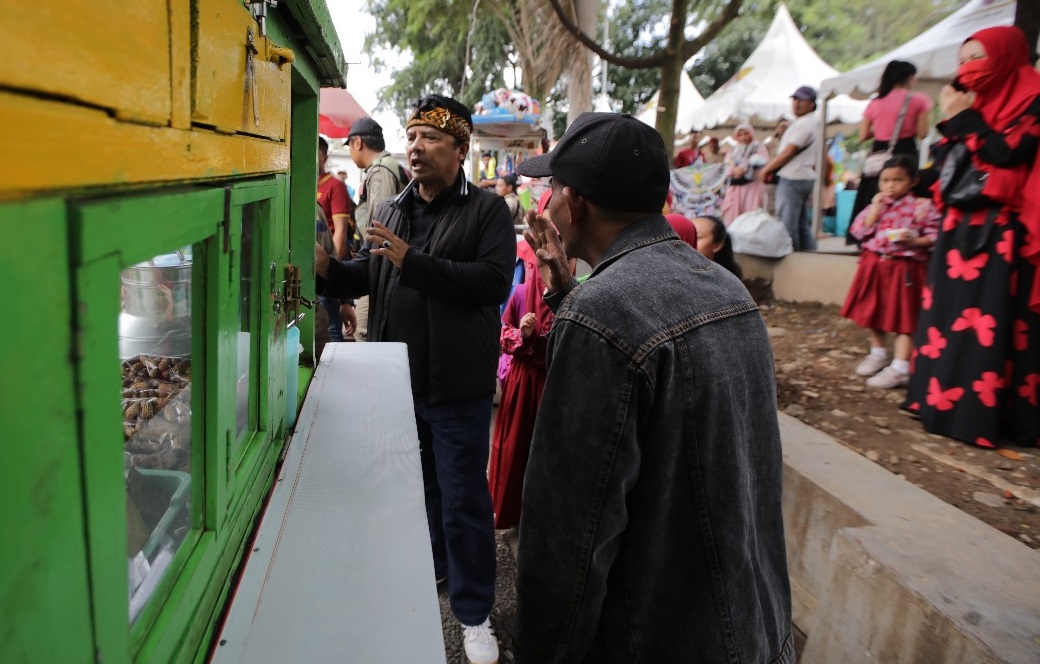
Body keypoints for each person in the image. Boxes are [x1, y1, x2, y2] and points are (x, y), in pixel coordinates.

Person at [513, 112, 792, 663]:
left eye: (550, 190)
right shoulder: (728, 289)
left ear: (575, 201)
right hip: (754, 628)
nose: (545, 205)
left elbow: (569, 536)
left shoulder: (602, 314)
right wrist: (568, 295)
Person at [315, 94, 516, 663]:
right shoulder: (396, 209)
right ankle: (436, 568)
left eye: (431, 138)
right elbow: (374, 274)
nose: (417, 147)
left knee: (463, 499)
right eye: (413, 135)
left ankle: (474, 612)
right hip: (399, 381)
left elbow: (490, 283)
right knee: (420, 490)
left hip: (457, 387)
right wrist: (331, 272)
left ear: (460, 148)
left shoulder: (486, 213)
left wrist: (414, 263)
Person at [904, 27, 1040, 448]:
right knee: (948, 315)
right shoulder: (968, 100)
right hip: (957, 227)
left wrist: (964, 118)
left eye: (978, 58)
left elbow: (1008, 154)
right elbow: (949, 162)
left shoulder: (1032, 99)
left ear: (1005, 57)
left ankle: (980, 416)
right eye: (963, 61)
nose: (968, 69)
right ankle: (937, 400)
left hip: (1000, 232)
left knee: (987, 319)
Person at [840, 156, 940, 389]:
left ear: (913, 181)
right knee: (874, 311)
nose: (890, 185)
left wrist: (915, 241)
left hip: (904, 268)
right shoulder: (874, 206)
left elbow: (936, 236)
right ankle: (878, 353)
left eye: (898, 180)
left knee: (904, 317)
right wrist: (876, 207)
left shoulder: (922, 207)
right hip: (875, 264)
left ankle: (901, 366)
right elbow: (859, 231)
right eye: (885, 180)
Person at [849, 61, 933, 237]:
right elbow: (923, 133)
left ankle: (869, 231)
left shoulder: (875, 102)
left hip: (879, 151)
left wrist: (882, 130)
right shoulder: (918, 100)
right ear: (909, 77)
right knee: (904, 189)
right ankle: (902, 230)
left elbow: (863, 135)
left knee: (876, 190)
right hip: (905, 150)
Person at [348, 116, 407, 342]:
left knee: (363, 330)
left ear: (358, 142)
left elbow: (382, 228)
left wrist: (367, 258)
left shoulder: (381, 171)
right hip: (387, 265)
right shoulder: (390, 166)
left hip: (381, 265)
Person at [759, 86, 819, 251]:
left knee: (788, 224)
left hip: (794, 178)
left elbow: (788, 153)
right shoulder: (808, 122)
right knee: (800, 224)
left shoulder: (805, 123)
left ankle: (792, 259)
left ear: (812, 103)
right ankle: (808, 257)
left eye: (801, 100)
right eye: (795, 99)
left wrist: (766, 169)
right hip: (802, 176)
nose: (796, 103)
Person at [317, 136, 357, 342]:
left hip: (325, 267)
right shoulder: (301, 184)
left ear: (324, 156)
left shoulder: (334, 185)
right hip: (308, 270)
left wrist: (331, 275)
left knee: (331, 329)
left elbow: (339, 232)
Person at [721, 123, 770, 224]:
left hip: (752, 185)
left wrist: (746, 168)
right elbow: (726, 165)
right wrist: (734, 169)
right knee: (733, 214)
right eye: (741, 134)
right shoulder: (734, 149)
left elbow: (764, 163)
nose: (743, 137)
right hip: (736, 186)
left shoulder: (759, 147)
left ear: (751, 134)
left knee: (750, 211)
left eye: (746, 134)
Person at [692, 214, 744, 279]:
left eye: (698, 237)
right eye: (688, 234)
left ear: (717, 246)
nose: (688, 240)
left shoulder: (726, 281)